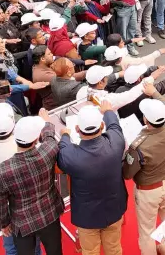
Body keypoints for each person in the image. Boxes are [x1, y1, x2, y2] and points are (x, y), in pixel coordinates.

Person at [57, 102, 127, 255]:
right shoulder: (116, 143)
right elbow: (115, 127)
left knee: (90, 252)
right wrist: (108, 111)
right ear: (102, 126)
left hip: (87, 217)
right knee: (114, 249)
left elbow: (64, 149)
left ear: (77, 129)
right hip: (114, 210)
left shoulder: (71, 156)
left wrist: (65, 135)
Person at [0, 111, 63, 255]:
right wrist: (47, 123)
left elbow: (1, 203)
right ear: (37, 139)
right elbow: (50, 138)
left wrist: (4, 224)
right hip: (49, 214)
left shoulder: (2, 171)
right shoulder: (47, 152)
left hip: (21, 222)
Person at [122, 98, 165, 255]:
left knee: (147, 231)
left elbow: (127, 174)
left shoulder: (139, 145)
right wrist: (154, 93)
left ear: (145, 119)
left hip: (149, 191)